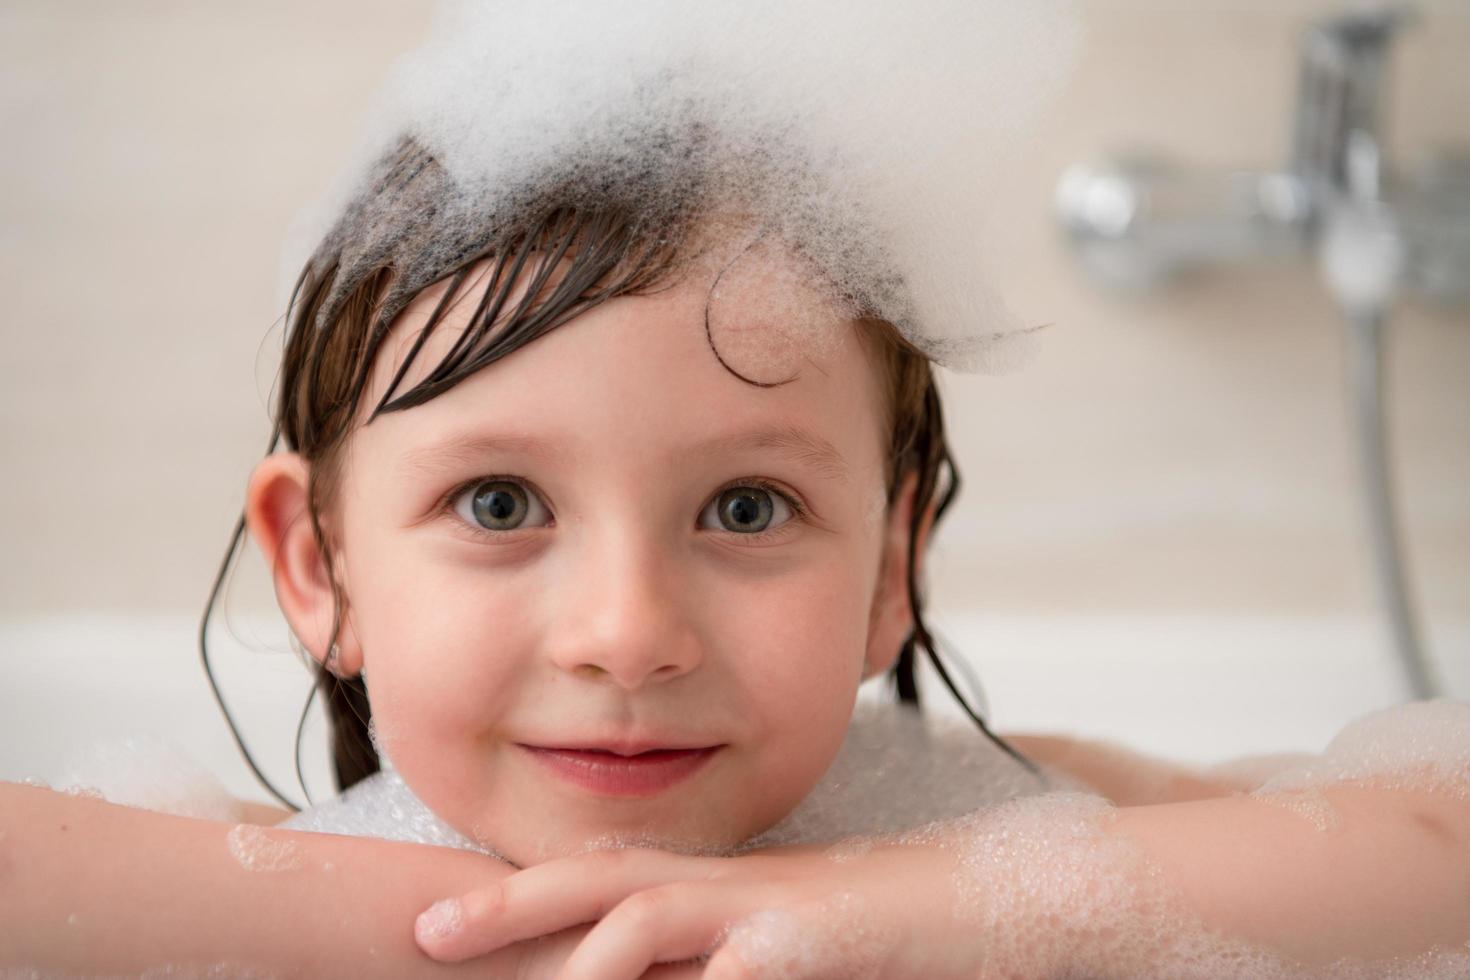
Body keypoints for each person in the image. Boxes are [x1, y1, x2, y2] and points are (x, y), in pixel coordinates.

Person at [5, 1, 1469, 976]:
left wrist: (879, 912)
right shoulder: (269, 892)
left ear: (892, 564)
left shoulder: (986, 825)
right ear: (317, 567)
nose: (626, 634)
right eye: (501, 505)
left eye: (746, 509)